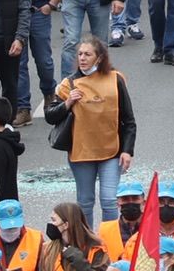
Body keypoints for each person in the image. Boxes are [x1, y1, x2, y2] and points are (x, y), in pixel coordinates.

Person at [44, 34, 134, 224]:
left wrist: (127, 151)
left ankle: (110, 243)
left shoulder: (115, 80)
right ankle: (87, 242)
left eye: (87, 54)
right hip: (81, 152)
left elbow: (129, 120)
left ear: (99, 58)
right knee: (85, 202)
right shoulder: (69, 83)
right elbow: (50, 116)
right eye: (80, 54)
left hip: (111, 151)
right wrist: (67, 103)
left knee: (109, 200)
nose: (82, 58)